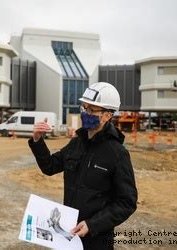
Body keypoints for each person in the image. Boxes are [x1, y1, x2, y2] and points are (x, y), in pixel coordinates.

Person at [28, 82, 137, 250]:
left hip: (97, 239)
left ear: (107, 116)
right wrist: (37, 140)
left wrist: (93, 225)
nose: (85, 113)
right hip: (68, 233)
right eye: (84, 107)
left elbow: (126, 202)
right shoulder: (77, 143)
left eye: (92, 110)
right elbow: (49, 166)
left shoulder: (117, 153)